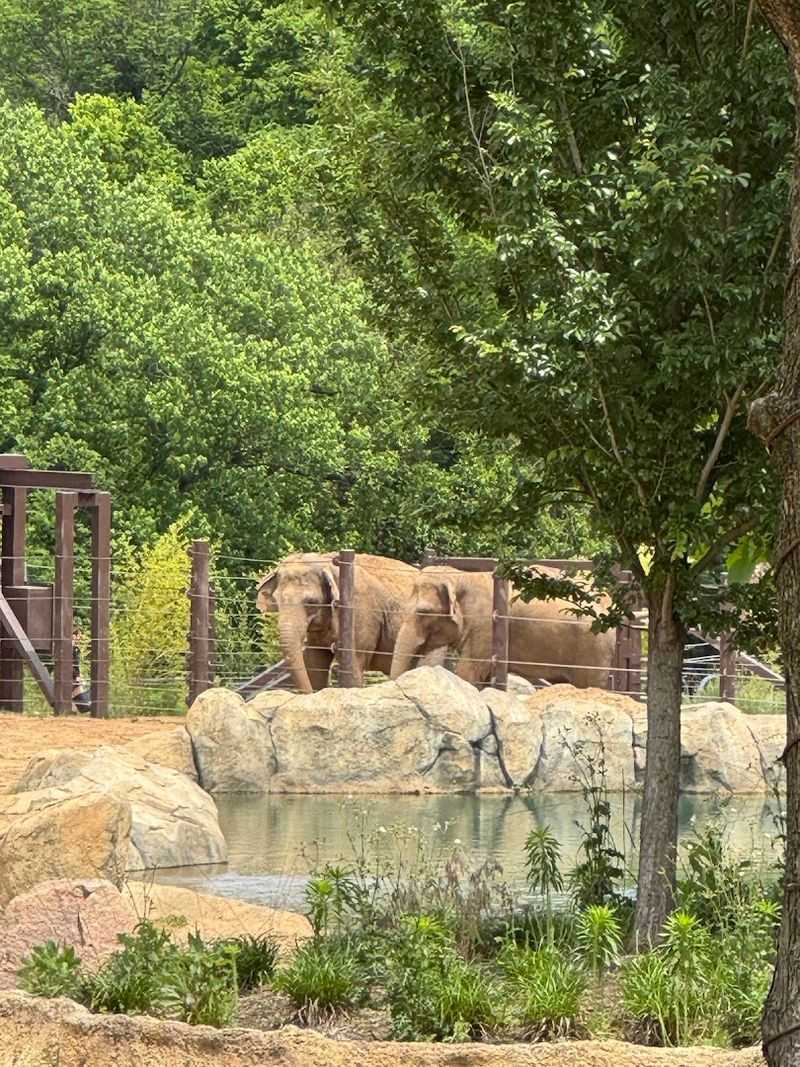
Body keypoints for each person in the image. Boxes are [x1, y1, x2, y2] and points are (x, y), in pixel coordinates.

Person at [72, 626, 91, 713]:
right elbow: (72, 664)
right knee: (83, 705)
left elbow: (75, 664)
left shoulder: (75, 648)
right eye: (79, 635)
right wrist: (77, 676)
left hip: (73, 676)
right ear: (73, 636)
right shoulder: (71, 648)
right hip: (72, 676)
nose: (80, 638)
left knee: (80, 702)